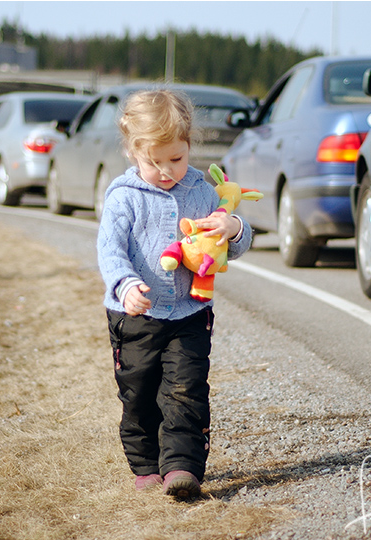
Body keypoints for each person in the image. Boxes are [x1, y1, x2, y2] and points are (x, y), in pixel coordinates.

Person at [96, 89, 253, 498]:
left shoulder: (201, 191)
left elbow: (230, 245)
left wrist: (233, 227)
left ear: (188, 146)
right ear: (133, 153)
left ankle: (182, 467)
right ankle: (147, 465)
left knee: (186, 388)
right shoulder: (123, 197)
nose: (167, 171)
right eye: (154, 161)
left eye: (177, 159)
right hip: (134, 316)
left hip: (189, 313)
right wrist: (125, 284)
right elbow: (109, 251)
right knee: (139, 392)